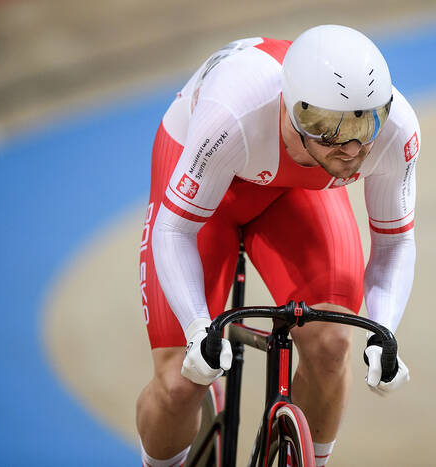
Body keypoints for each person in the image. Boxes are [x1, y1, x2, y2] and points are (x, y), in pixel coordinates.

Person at [136, 24, 419, 467]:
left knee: (332, 346)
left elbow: (395, 243)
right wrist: (196, 329)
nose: (349, 147)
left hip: (296, 191)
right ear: (293, 108)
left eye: (365, 122)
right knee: (177, 383)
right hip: (214, 182)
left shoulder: (396, 129)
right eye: (327, 126)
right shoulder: (233, 114)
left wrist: (384, 332)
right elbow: (175, 231)